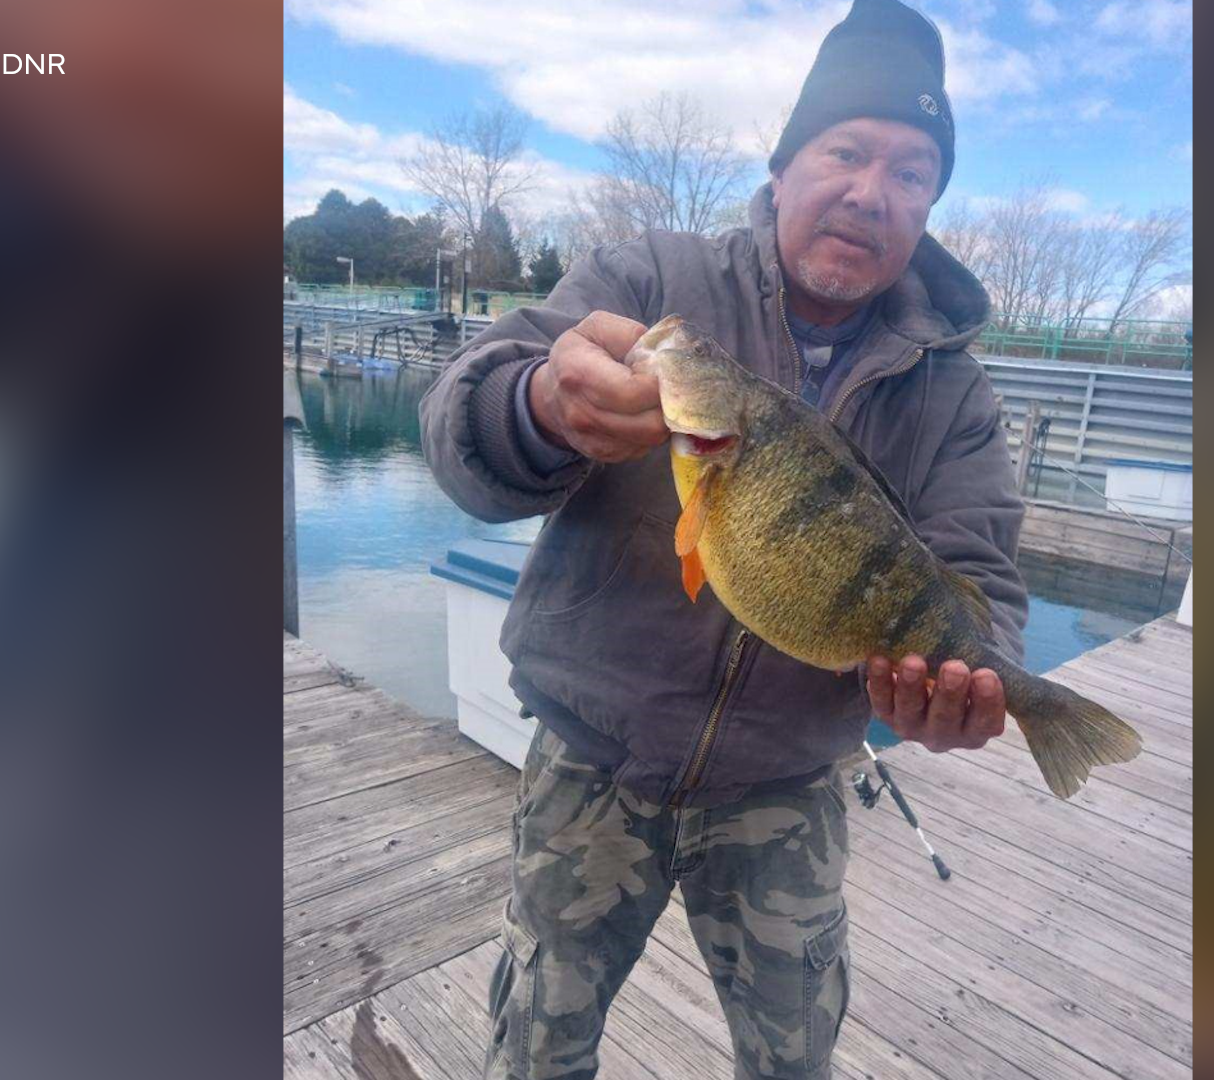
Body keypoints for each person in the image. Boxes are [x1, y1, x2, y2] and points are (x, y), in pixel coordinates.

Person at [420, 2, 1027, 1075]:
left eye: (913, 172)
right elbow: (464, 412)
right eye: (846, 151)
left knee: (794, 1057)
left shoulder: (958, 392)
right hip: (594, 755)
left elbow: (980, 578)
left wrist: (975, 687)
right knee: (534, 1048)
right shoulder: (652, 280)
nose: (871, 192)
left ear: (932, 202)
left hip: (790, 784)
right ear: (785, 164)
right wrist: (539, 408)